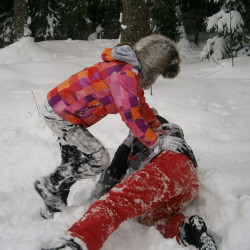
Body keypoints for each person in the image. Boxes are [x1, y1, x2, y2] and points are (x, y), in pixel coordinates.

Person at [34, 34, 181, 219]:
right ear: (153, 67)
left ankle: (52, 208)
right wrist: (156, 143)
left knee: (71, 162)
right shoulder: (125, 75)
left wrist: (157, 126)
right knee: (99, 160)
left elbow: (140, 105)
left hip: (60, 110)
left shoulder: (128, 72)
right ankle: (50, 186)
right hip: (61, 115)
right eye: (158, 73)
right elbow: (131, 116)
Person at [41, 114, 217, 250]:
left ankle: (75, 243)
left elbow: (114, 170)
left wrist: (94, 200)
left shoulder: (136, 134)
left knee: (114, 205)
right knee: (150, 219)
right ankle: (184, 228)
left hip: (166, 165)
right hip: (189, 180)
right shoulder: (172, 132)